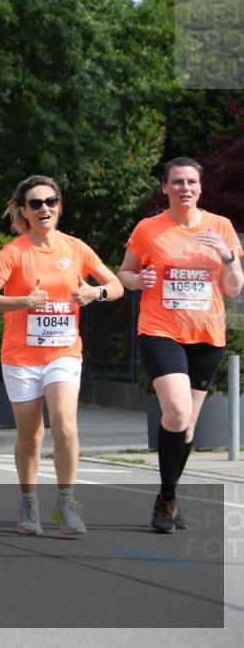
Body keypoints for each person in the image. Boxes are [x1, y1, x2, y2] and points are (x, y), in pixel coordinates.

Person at [0, 175, 123, 536]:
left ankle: (66, 503)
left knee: (65, 424)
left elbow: (116, 285)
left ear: (59, 206)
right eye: (36, 203)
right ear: (24, 211)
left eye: (51, 201)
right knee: (31, 436)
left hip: (63, 352)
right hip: (21, 357)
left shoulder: (76, 248)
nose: (45, 208)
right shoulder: (14, 252)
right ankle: (28, 505)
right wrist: (23, 301)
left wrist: (95, 295)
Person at [118, 157, 242, 533]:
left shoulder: (221, 227)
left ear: (200, 188)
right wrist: (138, 281)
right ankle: (167, 499)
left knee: (186, 425)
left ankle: (167, 496)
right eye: (177, 182)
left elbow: (234, 286)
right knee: (174, 412)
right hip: (160, 330)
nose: (184, 187)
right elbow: (125, 273)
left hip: (207, 335)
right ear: (165, 187)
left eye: (191, 181)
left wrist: (227, 255)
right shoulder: (148, 229)